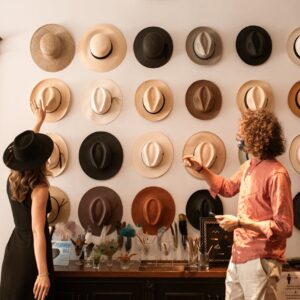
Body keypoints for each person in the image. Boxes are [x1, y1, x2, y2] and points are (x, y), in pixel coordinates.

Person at [183, 109, 293, 300]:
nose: (240, 139)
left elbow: (284, 227)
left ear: (258, 137)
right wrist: (201, 169)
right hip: (237, 258)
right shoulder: (248, 167)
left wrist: (241, 223)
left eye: (244, 134)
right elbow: (226, 188)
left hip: (261, 260)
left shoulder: (277, 174)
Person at [0, 101, 54, 300]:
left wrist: (38, 122)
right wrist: (43, 274)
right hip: (32, 256)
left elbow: (25, 154)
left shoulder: (12, 178)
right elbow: (37, 231)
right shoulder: (40, 189)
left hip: (15, 250)